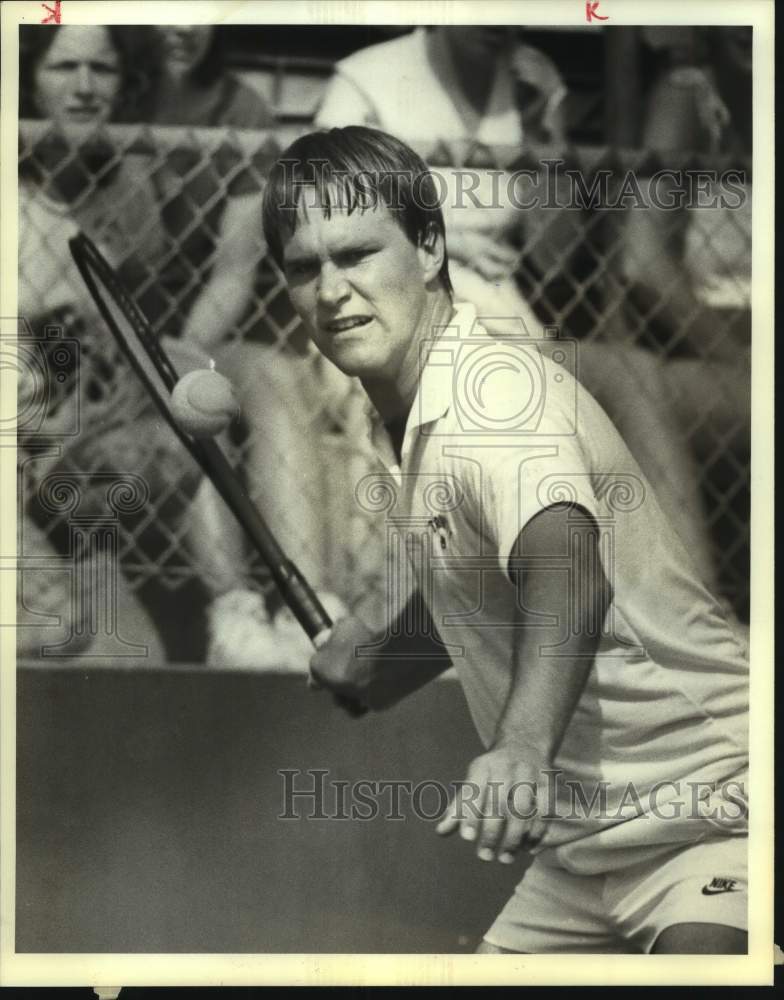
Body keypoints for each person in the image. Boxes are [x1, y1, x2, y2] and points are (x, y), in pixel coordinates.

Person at [261, 126, 749, 954]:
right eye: (305, 268)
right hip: (580, 856)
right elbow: (483, 580)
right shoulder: (422, 406)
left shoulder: (494, 403)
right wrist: (380, 665)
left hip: (716, 810)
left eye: (355, 254)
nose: (332, 290)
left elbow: (566, 568)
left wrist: (521, 749)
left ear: (428, 247)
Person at [314, 24, 722, 599]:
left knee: (631, 376)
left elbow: (553, 255)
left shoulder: (529, 83)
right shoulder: (368, 78)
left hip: (503, 318)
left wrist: (540, 130)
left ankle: (693, 604)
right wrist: (440, 243)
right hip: (390, 312)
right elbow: (324, 224)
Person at [620, 26, 751, 617]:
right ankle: (698, 617)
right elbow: (643, 262)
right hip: (722, 346)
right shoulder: (691, 95)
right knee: (645, 392)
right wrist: (741, 359)